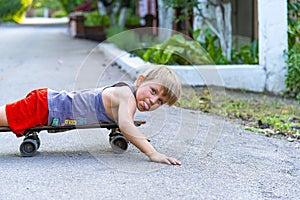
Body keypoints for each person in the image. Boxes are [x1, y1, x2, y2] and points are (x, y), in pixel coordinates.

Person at [0, 66, 182, 165]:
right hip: (46, 107)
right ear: (140, 81)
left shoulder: (126, 96)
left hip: (49, 104)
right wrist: (152, 153)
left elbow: (124, 122)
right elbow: (126, 125)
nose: (153, 100)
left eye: (160, 101)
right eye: (153, 91)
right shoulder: (127, 96)